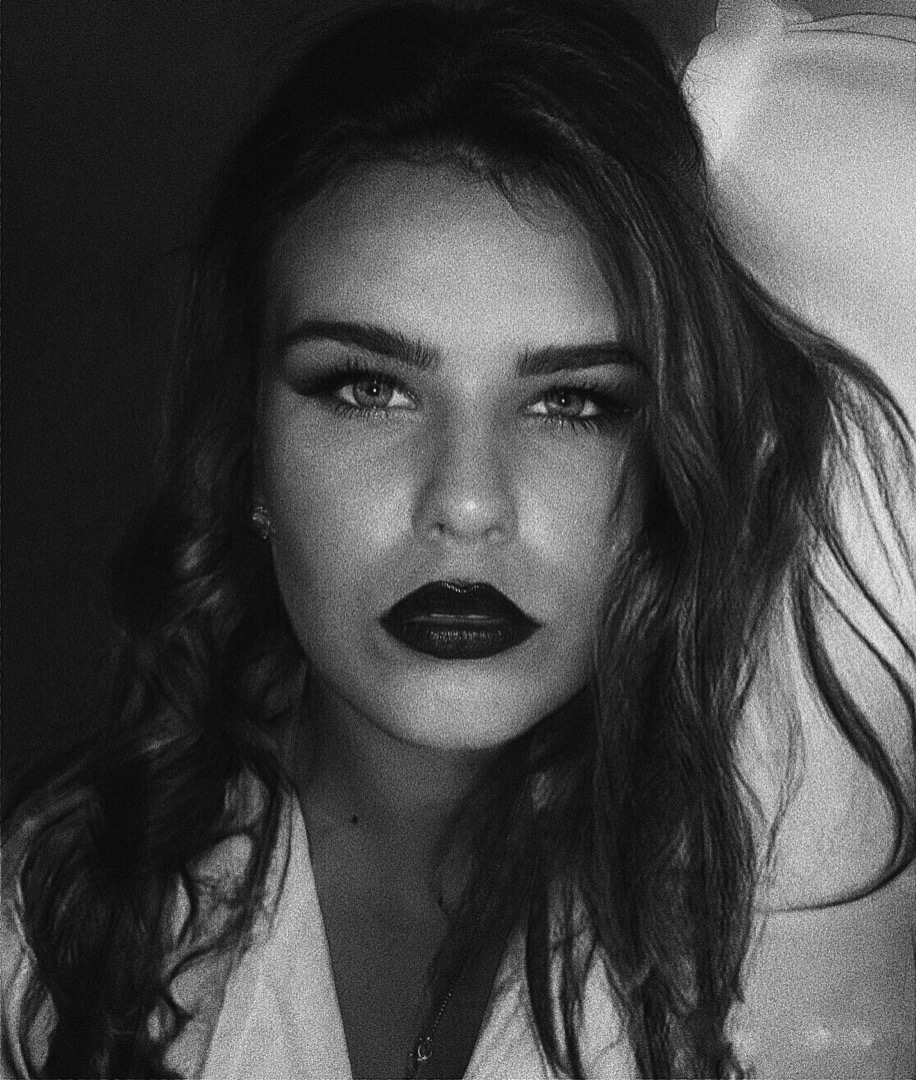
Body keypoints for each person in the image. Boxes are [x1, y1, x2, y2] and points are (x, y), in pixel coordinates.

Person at [2, 1, 913, 1077]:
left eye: (572, 402)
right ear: (248, 451)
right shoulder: (51, 924)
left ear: (672, 454)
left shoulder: (796, 913)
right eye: (368, 389)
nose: (469, 503)